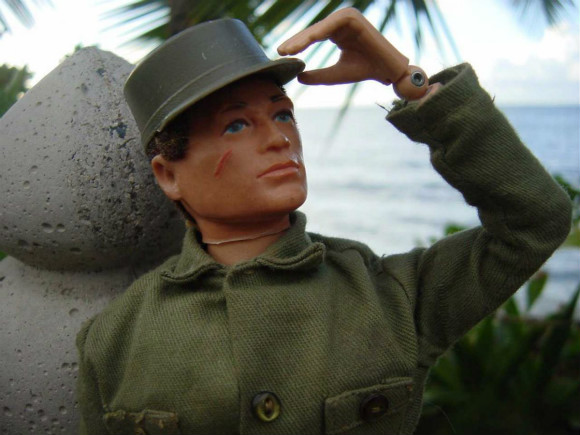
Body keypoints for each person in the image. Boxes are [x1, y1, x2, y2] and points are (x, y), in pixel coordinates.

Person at [76, 8, 571, 435]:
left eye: (283, 115)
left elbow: (534, 220)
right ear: (168, 175)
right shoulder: (115, 340)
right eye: (237, 125)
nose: (279, 139)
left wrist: (412, 84)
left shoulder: (392, 296)